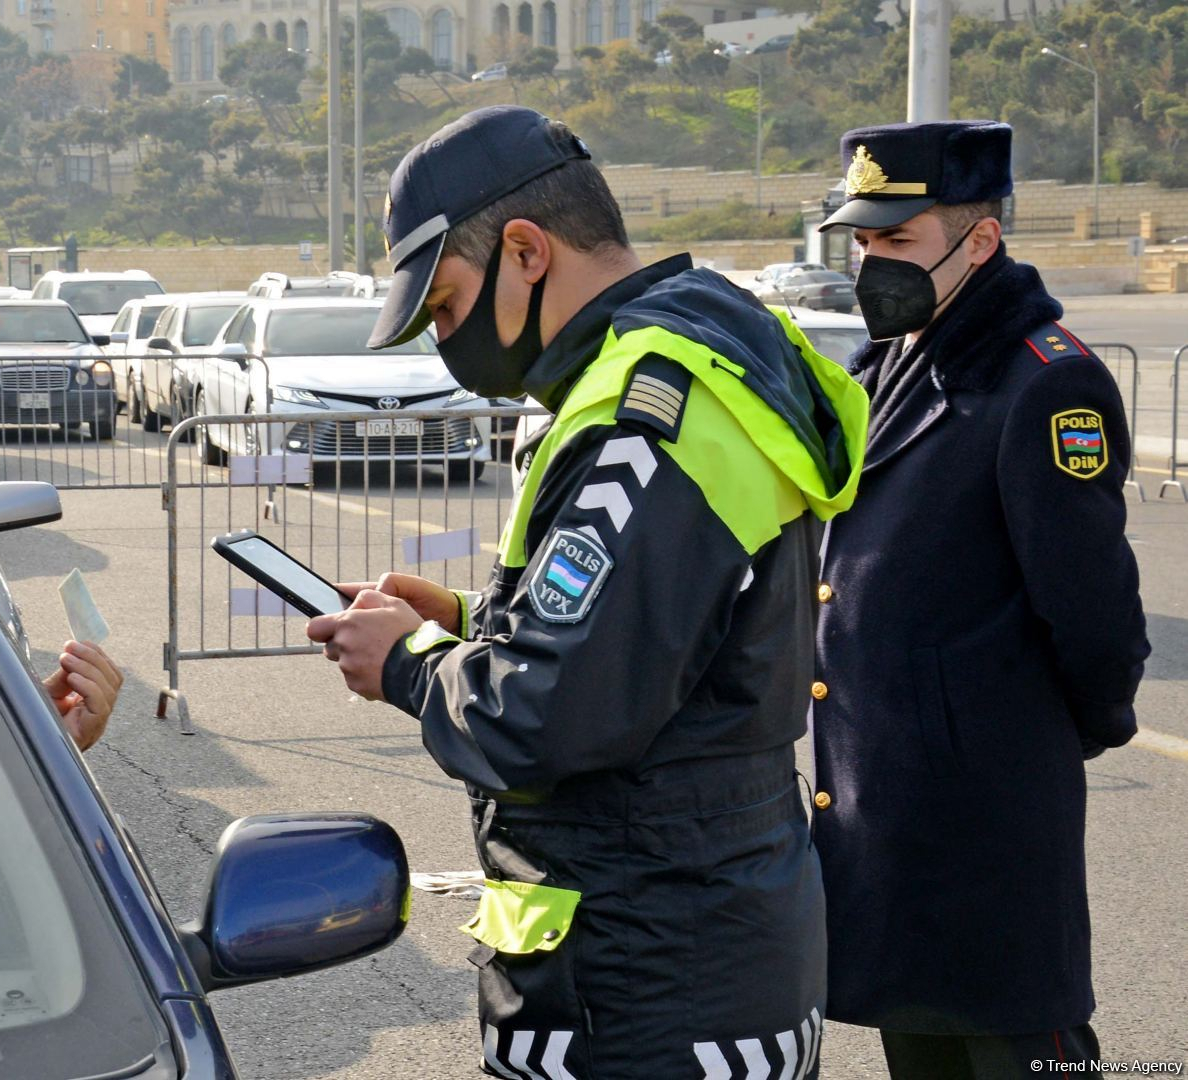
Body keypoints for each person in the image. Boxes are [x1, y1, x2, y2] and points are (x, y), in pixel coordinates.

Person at [304, 105, 869, 1077]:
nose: (446, 340)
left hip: (645, 982)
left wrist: (407, 663)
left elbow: (544, 715)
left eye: (443, 307)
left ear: (525, 251)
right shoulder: (707, 359)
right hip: (701, 948)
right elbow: (665, 640)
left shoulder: (644, 418)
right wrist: (474, 624)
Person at [809, 121, 1150, 1079]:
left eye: (898, 242)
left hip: (989, 827)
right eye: (865, 244)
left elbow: (1093, 612)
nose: (872, 263)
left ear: (981, 242)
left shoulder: (1047, 381)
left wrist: (1028, 735)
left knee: (1015, 1050)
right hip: (891, 821)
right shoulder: (884, 369)